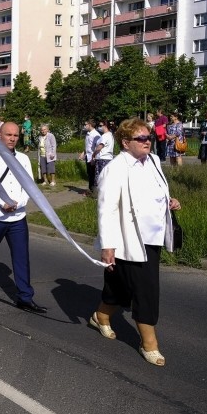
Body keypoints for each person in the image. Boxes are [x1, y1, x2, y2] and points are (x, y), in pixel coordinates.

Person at [89, 118, 181, 367]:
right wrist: (108, 245)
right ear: (125, 142)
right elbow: (106, 209)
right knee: (145, 289)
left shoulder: (152, 161)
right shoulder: (116, 168)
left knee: (119, 287)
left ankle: (101, 316)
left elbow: (155, 189)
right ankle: (149, 343)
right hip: (128, 240)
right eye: (141, 138)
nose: (147, 141)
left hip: (153, 237)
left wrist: (168, 200)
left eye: (148, 137)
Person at [0, 121, 47, 313]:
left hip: (17, 217)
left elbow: (29, 185)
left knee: (22, 258)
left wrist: (18, 203)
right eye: (8, 135)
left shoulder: (22, 159)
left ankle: (25, 297)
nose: (12, 138)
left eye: (15, 135)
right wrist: (2, 202)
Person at [79, 119, 100, 195]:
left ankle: (93, 191)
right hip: (88, 156)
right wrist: (83, 153)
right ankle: (91, 190)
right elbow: (88, 146)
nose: (84, 126)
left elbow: (97, 147)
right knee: (89, 174)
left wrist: (94, 158)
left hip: (93, 157)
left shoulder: (96, 134)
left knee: (93, 174)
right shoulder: (88, 134)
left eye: (85, 124)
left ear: (90, 125)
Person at [91, 120, 115, 186]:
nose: (99, 127)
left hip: (102, 159)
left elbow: (100, 146)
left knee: (100, 178)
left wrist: (93, 154)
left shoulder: (105, 136)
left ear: (105, 126)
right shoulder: (110, 135)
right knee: (105, 177)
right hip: (108, 158)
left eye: (101, 126)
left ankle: (99, 193)